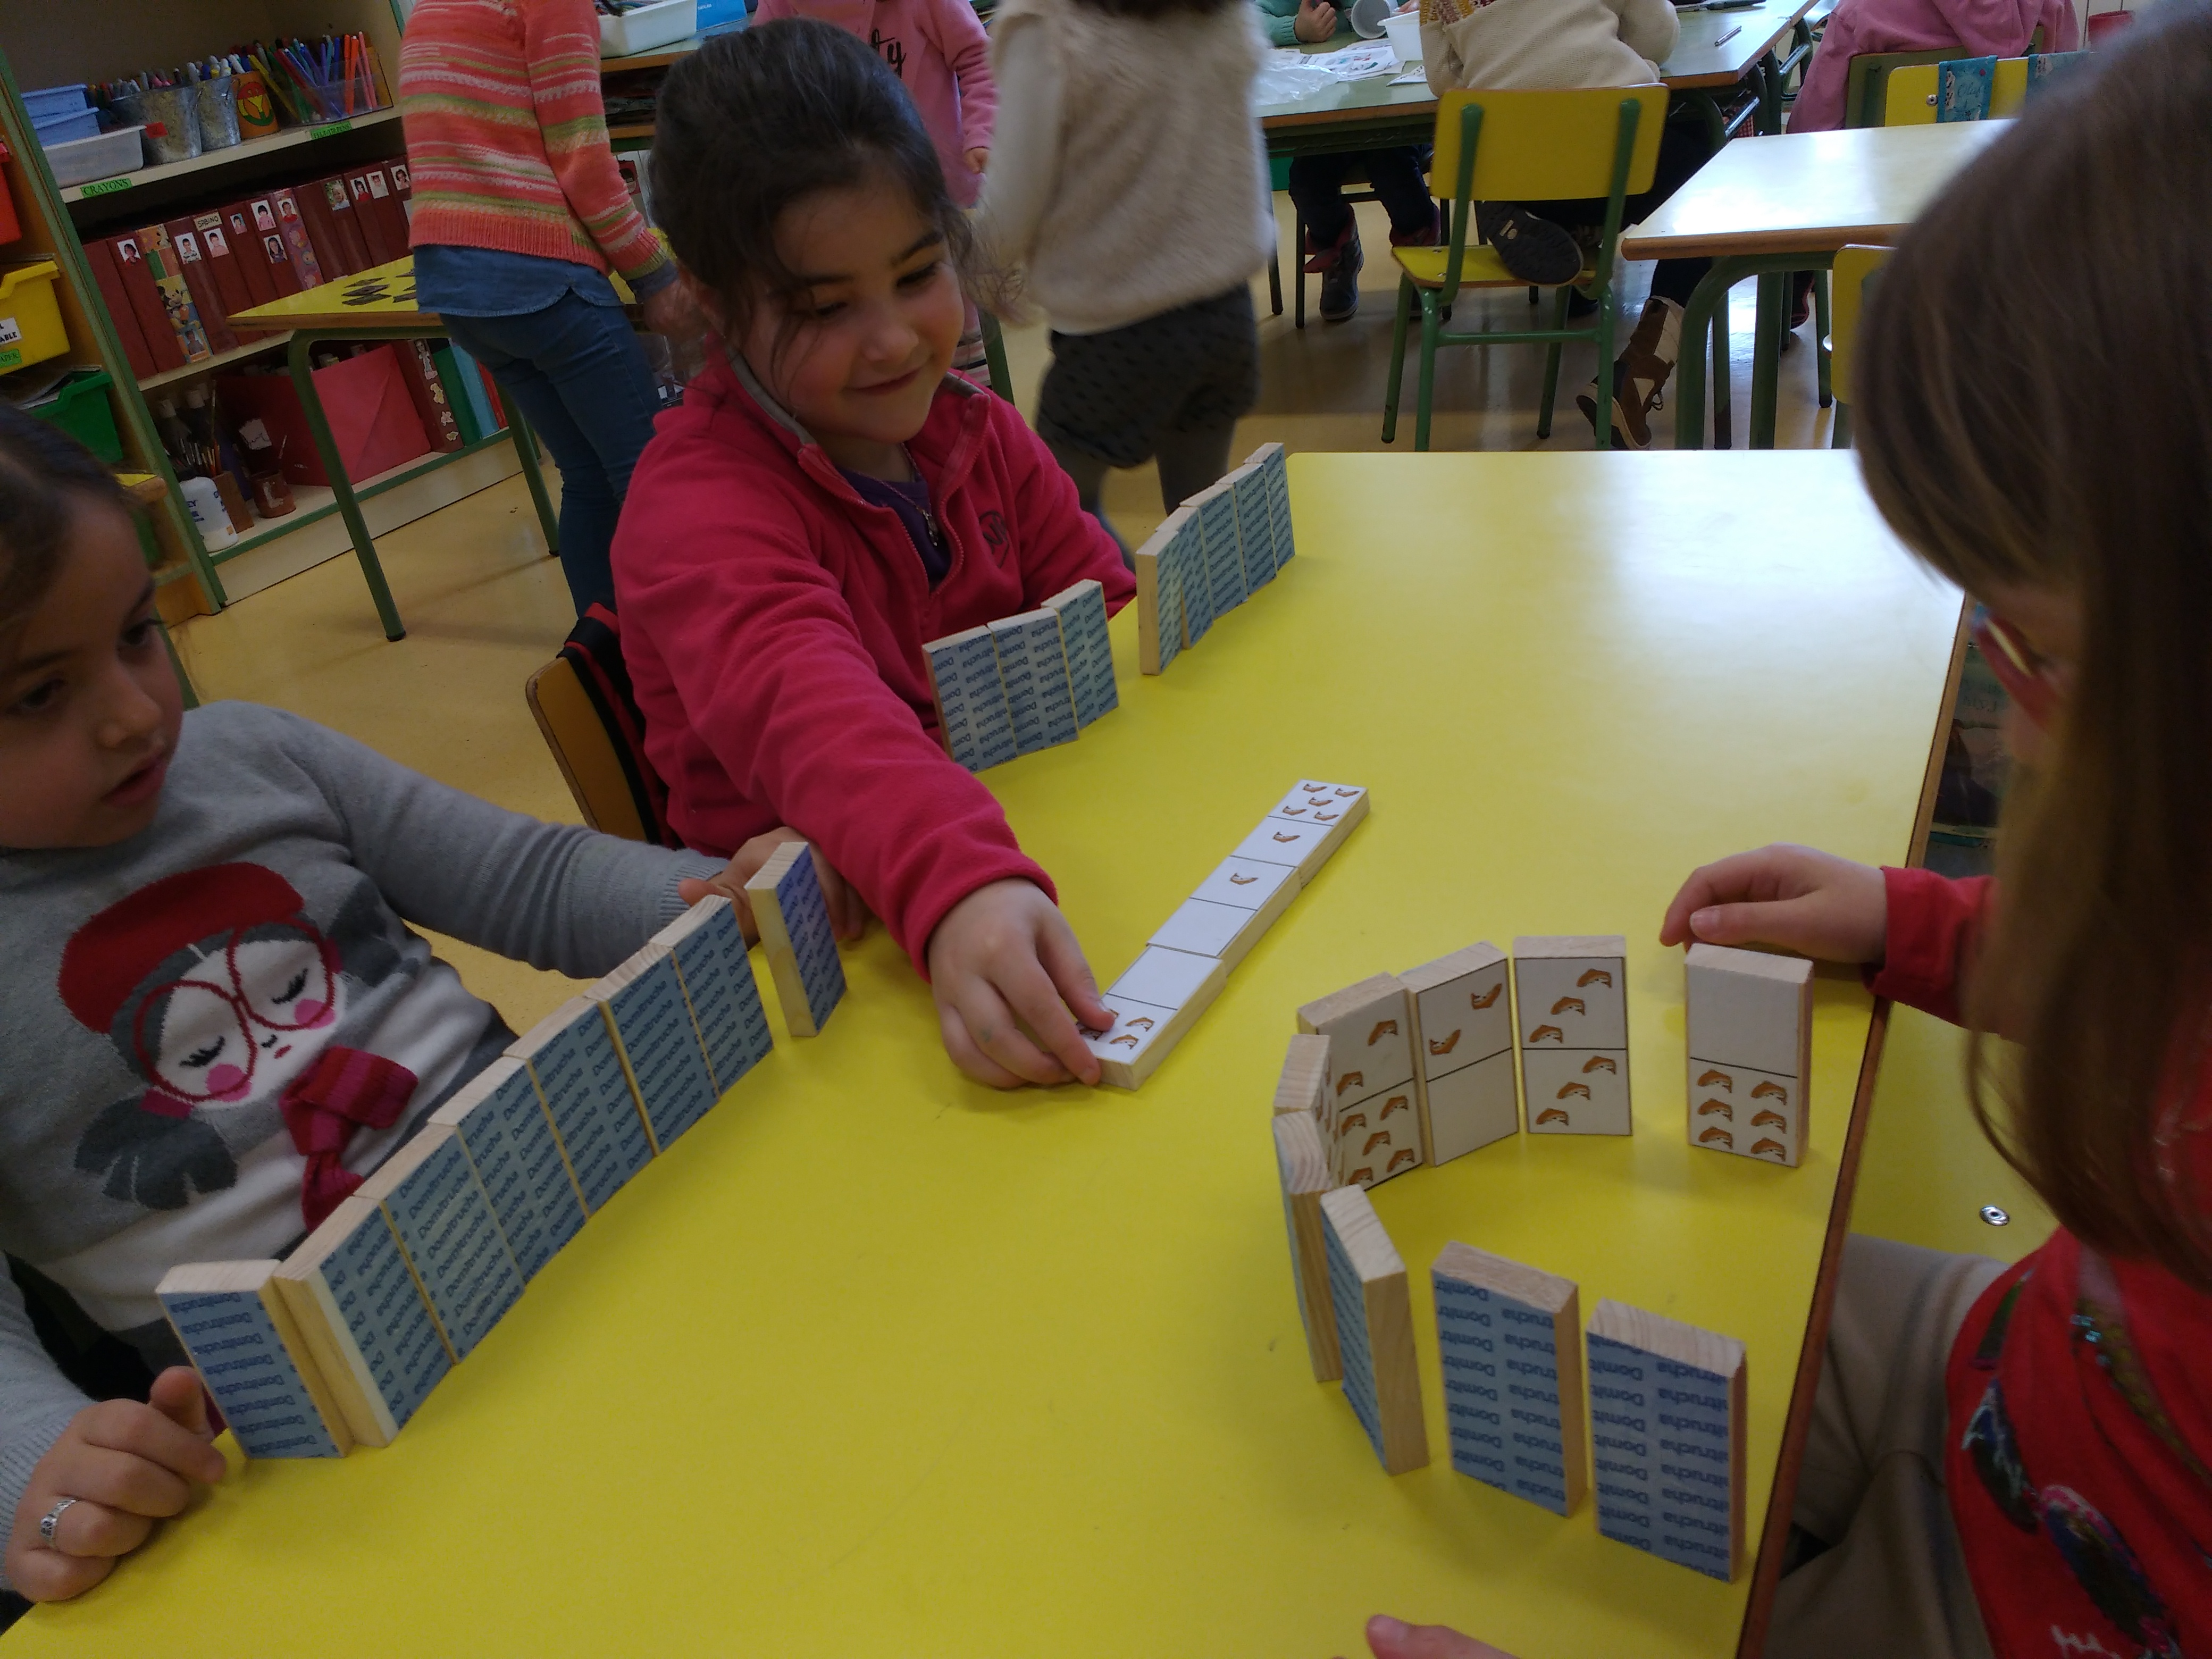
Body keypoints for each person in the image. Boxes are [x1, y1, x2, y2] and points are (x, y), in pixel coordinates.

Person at [1349, 14, 2211, 1654]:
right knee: (1655, 1309)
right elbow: (2136, 974)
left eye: (2036, 654)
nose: (2012, 720)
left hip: (2043, 1607)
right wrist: (1915, 922)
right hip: (2015, 1376)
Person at [0, 410, 763, 1603]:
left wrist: (715, 894)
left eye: (139, 634)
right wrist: (39, 1465)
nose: (135, 713)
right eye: (40, 693)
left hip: (581, 1225)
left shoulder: (254, 754)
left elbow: (532, 881)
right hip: (328, 1445)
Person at [616, 23, 1133, 1090]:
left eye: (917, 273)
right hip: (833, 967)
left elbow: (1109, 617)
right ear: (710, 301)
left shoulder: (977, 430)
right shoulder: (696, 510)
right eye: (823, 309)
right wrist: (961, 883)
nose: (895, 339)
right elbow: (820, 719)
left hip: (1025, 853)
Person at [398, 0, 690, 618]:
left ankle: (602, 661)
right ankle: (682, 655)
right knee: (650, 477)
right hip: (538, 271)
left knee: (587, 479)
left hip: (457, 283)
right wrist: (654, 274)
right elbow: (583, 162)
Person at [977, 0, 1274, 546]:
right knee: (1202, 518)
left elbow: (1011, 203)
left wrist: (976, 272)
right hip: (1226, 314)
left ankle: (1133, 596)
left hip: (1117, 329)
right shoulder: (1219, 11)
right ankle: (1192, 602)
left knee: (1057, 517)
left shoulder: (1048, 26)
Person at [1417, 0, 1715, 448]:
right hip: (1617, 162)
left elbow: (1443, 80)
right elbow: (1655, 34)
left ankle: (1541, 219)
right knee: (1703, 177)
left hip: (1518, 171)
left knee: (1550, 167)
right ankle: (1639, 372)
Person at [751, 0, 999, 368]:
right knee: (881, 336)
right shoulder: (781, 6)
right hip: (843, 208)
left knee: (948, 325)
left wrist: (983, 130)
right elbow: (760, 87)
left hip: (935, 197)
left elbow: (980, 59)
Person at [1256, 0, 1438, 322]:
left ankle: (1420, 248)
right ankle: (1340, 250)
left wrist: (1423, 8)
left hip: (1397, 113)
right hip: (1327, 119)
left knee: (1393, 169)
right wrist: (1295, 29)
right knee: (1307, 182)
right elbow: (1244, 19)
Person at [1790, 0, 2079, 131]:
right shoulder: (2053, 5)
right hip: (2003, 191)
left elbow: (1809, 133)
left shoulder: (1862, 12)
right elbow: (2068, 94)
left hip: (1885, 197)